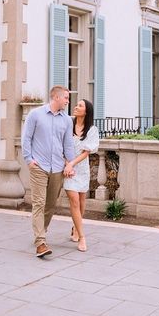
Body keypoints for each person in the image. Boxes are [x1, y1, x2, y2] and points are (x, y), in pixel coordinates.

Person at [22, 85, 75, 258]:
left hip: (58, 168)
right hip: (39, 167)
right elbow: (26, 138)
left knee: (51, 205)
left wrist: (70, 164)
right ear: (56, 97)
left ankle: (40, 231)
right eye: (66, 98)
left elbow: (68, 144)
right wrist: (29, 160)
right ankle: (41, 243)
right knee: (39, 203)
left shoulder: (67, 120)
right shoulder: (35, 115)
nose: (68, 101)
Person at [64, 99, 99, 252]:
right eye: (76, 105)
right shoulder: (67, 124)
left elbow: (86, 152)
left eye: (80, 106)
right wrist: (67, 164)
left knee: (82, 200)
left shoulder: (92, 129)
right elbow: (60, 146)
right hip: (68, 169)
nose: (76, 107)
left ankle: (76, 228)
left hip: (82, 169)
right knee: (74, 200)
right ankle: (83, 237)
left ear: (86, 111)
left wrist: (73, 163)